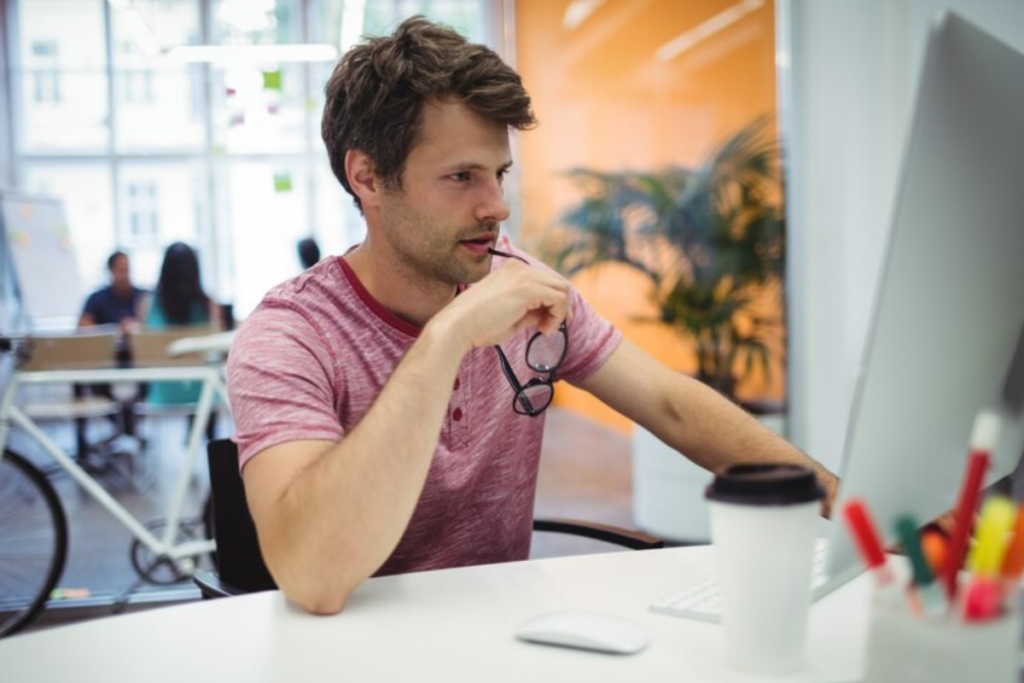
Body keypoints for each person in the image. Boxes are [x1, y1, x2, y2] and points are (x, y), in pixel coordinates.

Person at [227, 17, 839, 615]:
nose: (496, 207)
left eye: (499, 174)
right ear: (367, 178)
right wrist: (447, 338)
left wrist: (843, 499)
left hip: (502, 639)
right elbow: (311, 574)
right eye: (461, 176)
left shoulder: (514, 281)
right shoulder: (289, 334)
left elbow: (670, 403)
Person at [141, 242, 220, 405]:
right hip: (204, 392)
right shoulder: (208, 304)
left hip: (163, 392)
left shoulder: (147, 304)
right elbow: (217, 347)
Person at [79, 250, 145, 330]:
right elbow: (83, 325)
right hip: (107, 342)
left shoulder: (142, 297)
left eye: (127, 270)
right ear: (111, 271)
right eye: (121, 271)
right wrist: (115, 330)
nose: (125, 276)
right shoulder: (97, 298)